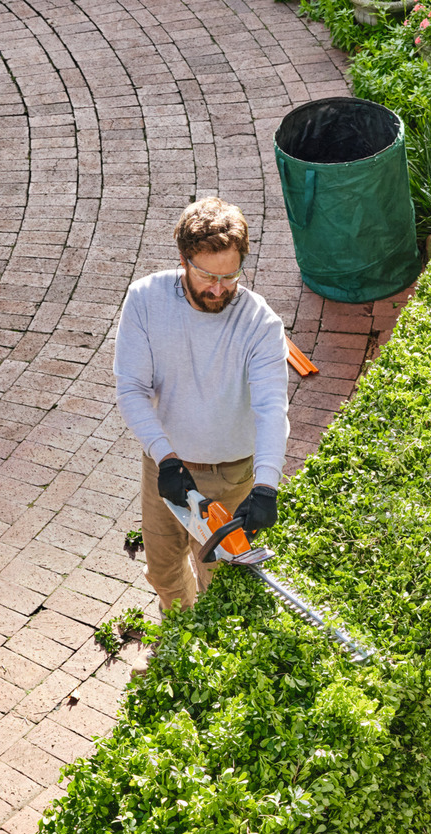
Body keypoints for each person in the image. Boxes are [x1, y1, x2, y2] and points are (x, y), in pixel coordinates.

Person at [114, 198, 289, 614]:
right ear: (183, 260)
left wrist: (266, 485)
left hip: (230, 476)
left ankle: (203, 652)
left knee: (221, 585)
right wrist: (165, 457)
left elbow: (270, 408)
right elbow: (131, 388)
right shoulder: (144, 300)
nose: (218, 288)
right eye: (207, 275)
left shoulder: (260, 324)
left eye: (230, 276)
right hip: (166, 467)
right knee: (161, 570)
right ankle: (177, 634)